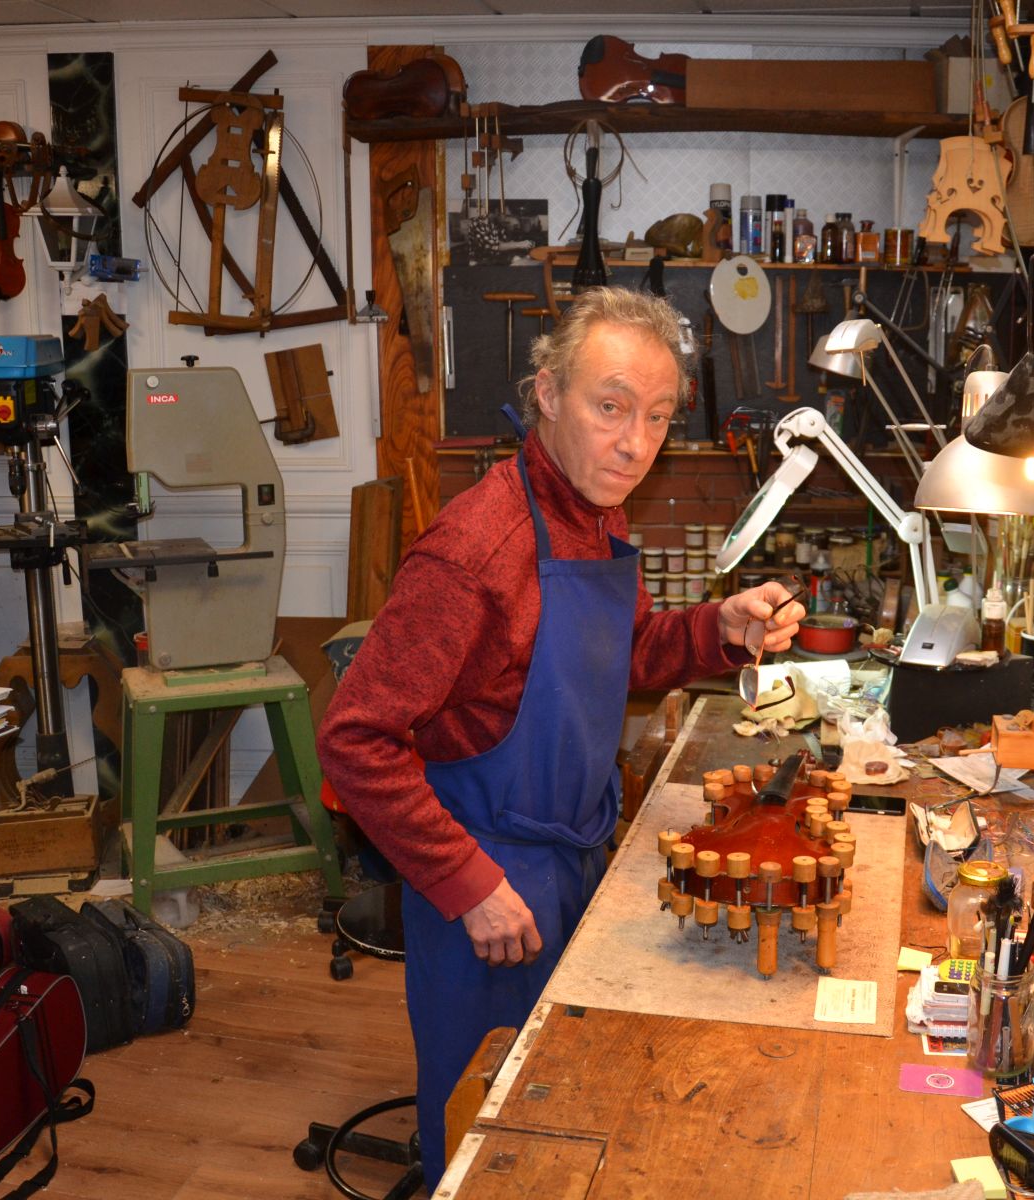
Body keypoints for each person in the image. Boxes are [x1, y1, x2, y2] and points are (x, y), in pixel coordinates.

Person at [318, 287, 804, 1189]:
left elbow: (624, 654)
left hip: (577, 850)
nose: (635, 443)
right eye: (610, 407)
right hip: (488, 874)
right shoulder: (474, 551)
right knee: (486, 1140)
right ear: (547, 395)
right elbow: (355, 738)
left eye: (658, 417)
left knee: (568, 1111)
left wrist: (719, 628)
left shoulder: (595, 511)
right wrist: (469, 886)